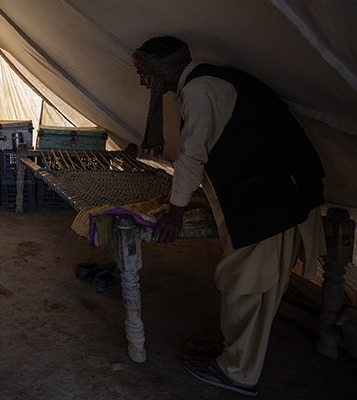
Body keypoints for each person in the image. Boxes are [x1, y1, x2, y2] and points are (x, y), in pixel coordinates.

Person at [131, 36, 326, 396]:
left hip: (274, 199)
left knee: (247, 287)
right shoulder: (207, 82)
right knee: (249, 286)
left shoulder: (201, 91)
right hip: (271, 193)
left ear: (160, 73)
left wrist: (175, 213)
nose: (143, 82)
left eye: (143, 74)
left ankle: (237, 372)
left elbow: (193, 155)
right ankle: (233, 353)